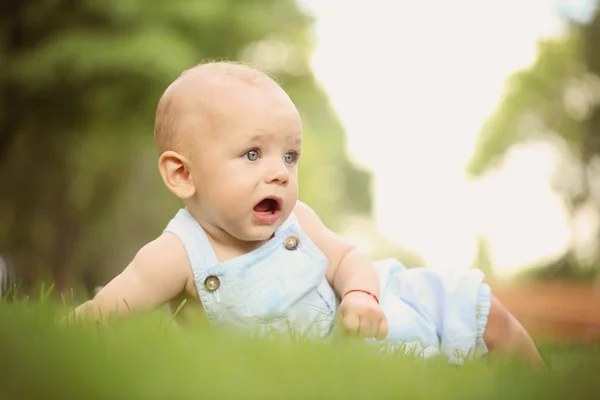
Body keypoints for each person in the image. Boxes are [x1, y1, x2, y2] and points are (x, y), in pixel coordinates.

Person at [72, 61, 542, 365]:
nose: (279, 172)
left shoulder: (299, 222)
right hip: (359, 360)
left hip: (386, 307)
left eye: (290, 156)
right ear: (182, 175)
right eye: (253, 154)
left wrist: (360, 296)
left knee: (484, 316)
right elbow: (104, 314)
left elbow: (348, 259)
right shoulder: (179, 254)